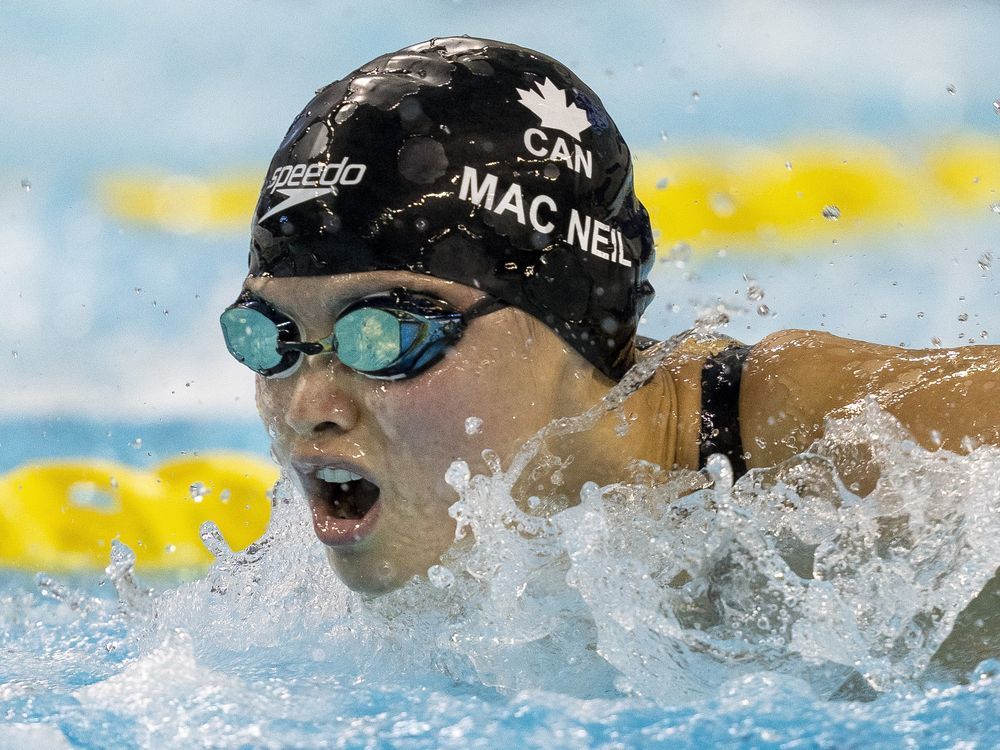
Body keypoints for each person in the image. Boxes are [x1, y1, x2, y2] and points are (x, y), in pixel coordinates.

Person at [219, 37, 1000, 670]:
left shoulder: (837, 450)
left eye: (386, 334)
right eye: (273, 340)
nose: (307, 408)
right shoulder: (286, 611)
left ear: (566, 324)